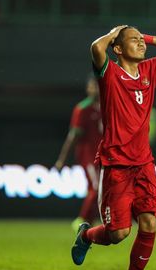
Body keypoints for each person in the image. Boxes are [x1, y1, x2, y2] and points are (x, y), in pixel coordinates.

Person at [71, 25, 156, 270]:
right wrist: (115, 33)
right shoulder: (110, 73)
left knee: (149, 223)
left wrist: (145, 36)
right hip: (116, 164)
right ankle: (86, 236)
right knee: (118, 234)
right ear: (119, 49)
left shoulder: (150, 70)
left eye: (141, 40)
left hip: (144, 162)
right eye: (133, 41)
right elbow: (96, 48)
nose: (141, 44)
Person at [55, 76, 102, 232]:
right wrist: (62, 159)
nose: (95, 89)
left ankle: (92, 221)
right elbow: (73, 136)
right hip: (88, 155)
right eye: (92, 86)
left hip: (106, 155)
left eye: (98, 85)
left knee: (104, 189)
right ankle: (81, 221)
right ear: (87, 88)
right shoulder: (82, 109)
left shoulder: (110, 106)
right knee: (95, 188)